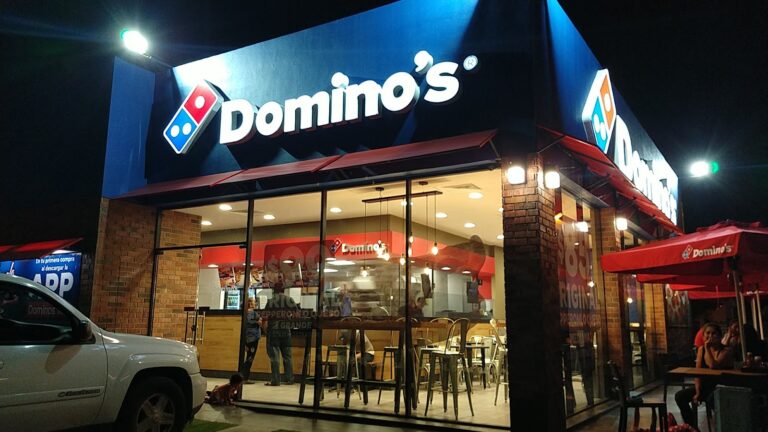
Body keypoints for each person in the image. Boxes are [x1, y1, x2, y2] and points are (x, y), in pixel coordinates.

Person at [675, 323, 734, 430]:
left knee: (712, 399)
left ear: (720, 336)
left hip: (721, 387)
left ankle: (722, 427)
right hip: (705, 387)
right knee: (680, 396)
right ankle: (693, 428)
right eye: (707, 333)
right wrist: (698, 392)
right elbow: (698, 372)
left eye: (714, 333)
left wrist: (707, 347)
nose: (710, 336)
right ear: (703, 336)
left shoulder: (726, 350)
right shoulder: (701, 350)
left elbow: (713, 365)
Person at [264, 286, 300, 386]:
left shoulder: (271, 301)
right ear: (283, 290)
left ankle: (275, 380)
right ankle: (289, 379)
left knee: (274, 356)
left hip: (273, 330)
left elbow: (265, 318)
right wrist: (289, 320)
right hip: (286, 330)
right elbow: (297, 315)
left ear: (274, 291)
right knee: (287, 356)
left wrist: (265, 330)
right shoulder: (289, 300)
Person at [240, 297, 262, 384]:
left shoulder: (245, 312)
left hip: (247, 338)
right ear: (250, 303)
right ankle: (244, 377)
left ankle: (243, 376)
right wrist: (258, 321)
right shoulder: (252, 313)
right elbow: (258, 322)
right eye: (253, 302)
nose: (255, 303)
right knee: (250, 358)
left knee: (249, 356)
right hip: (253, 338)